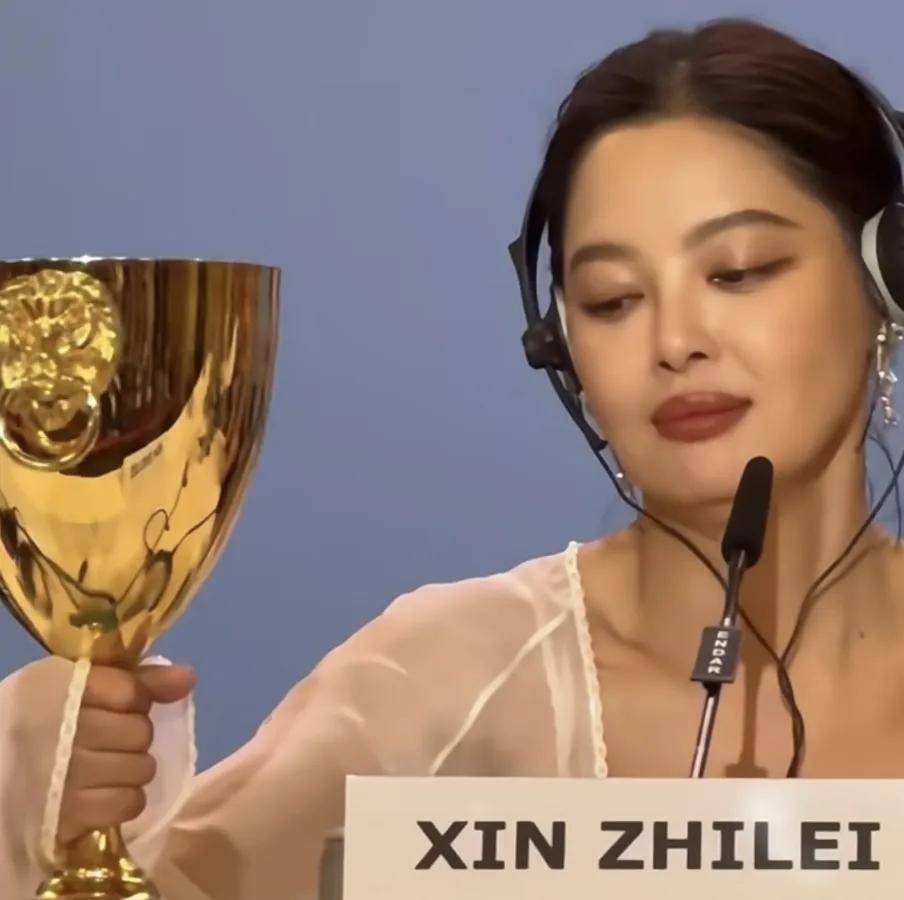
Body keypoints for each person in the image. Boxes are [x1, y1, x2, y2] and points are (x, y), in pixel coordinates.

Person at [3, 15, 904, 899]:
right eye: (612, 299)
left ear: (886, 281)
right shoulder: (445, 678)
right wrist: (51, 819)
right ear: (561, 348)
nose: (675, 342)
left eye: (738, 272)